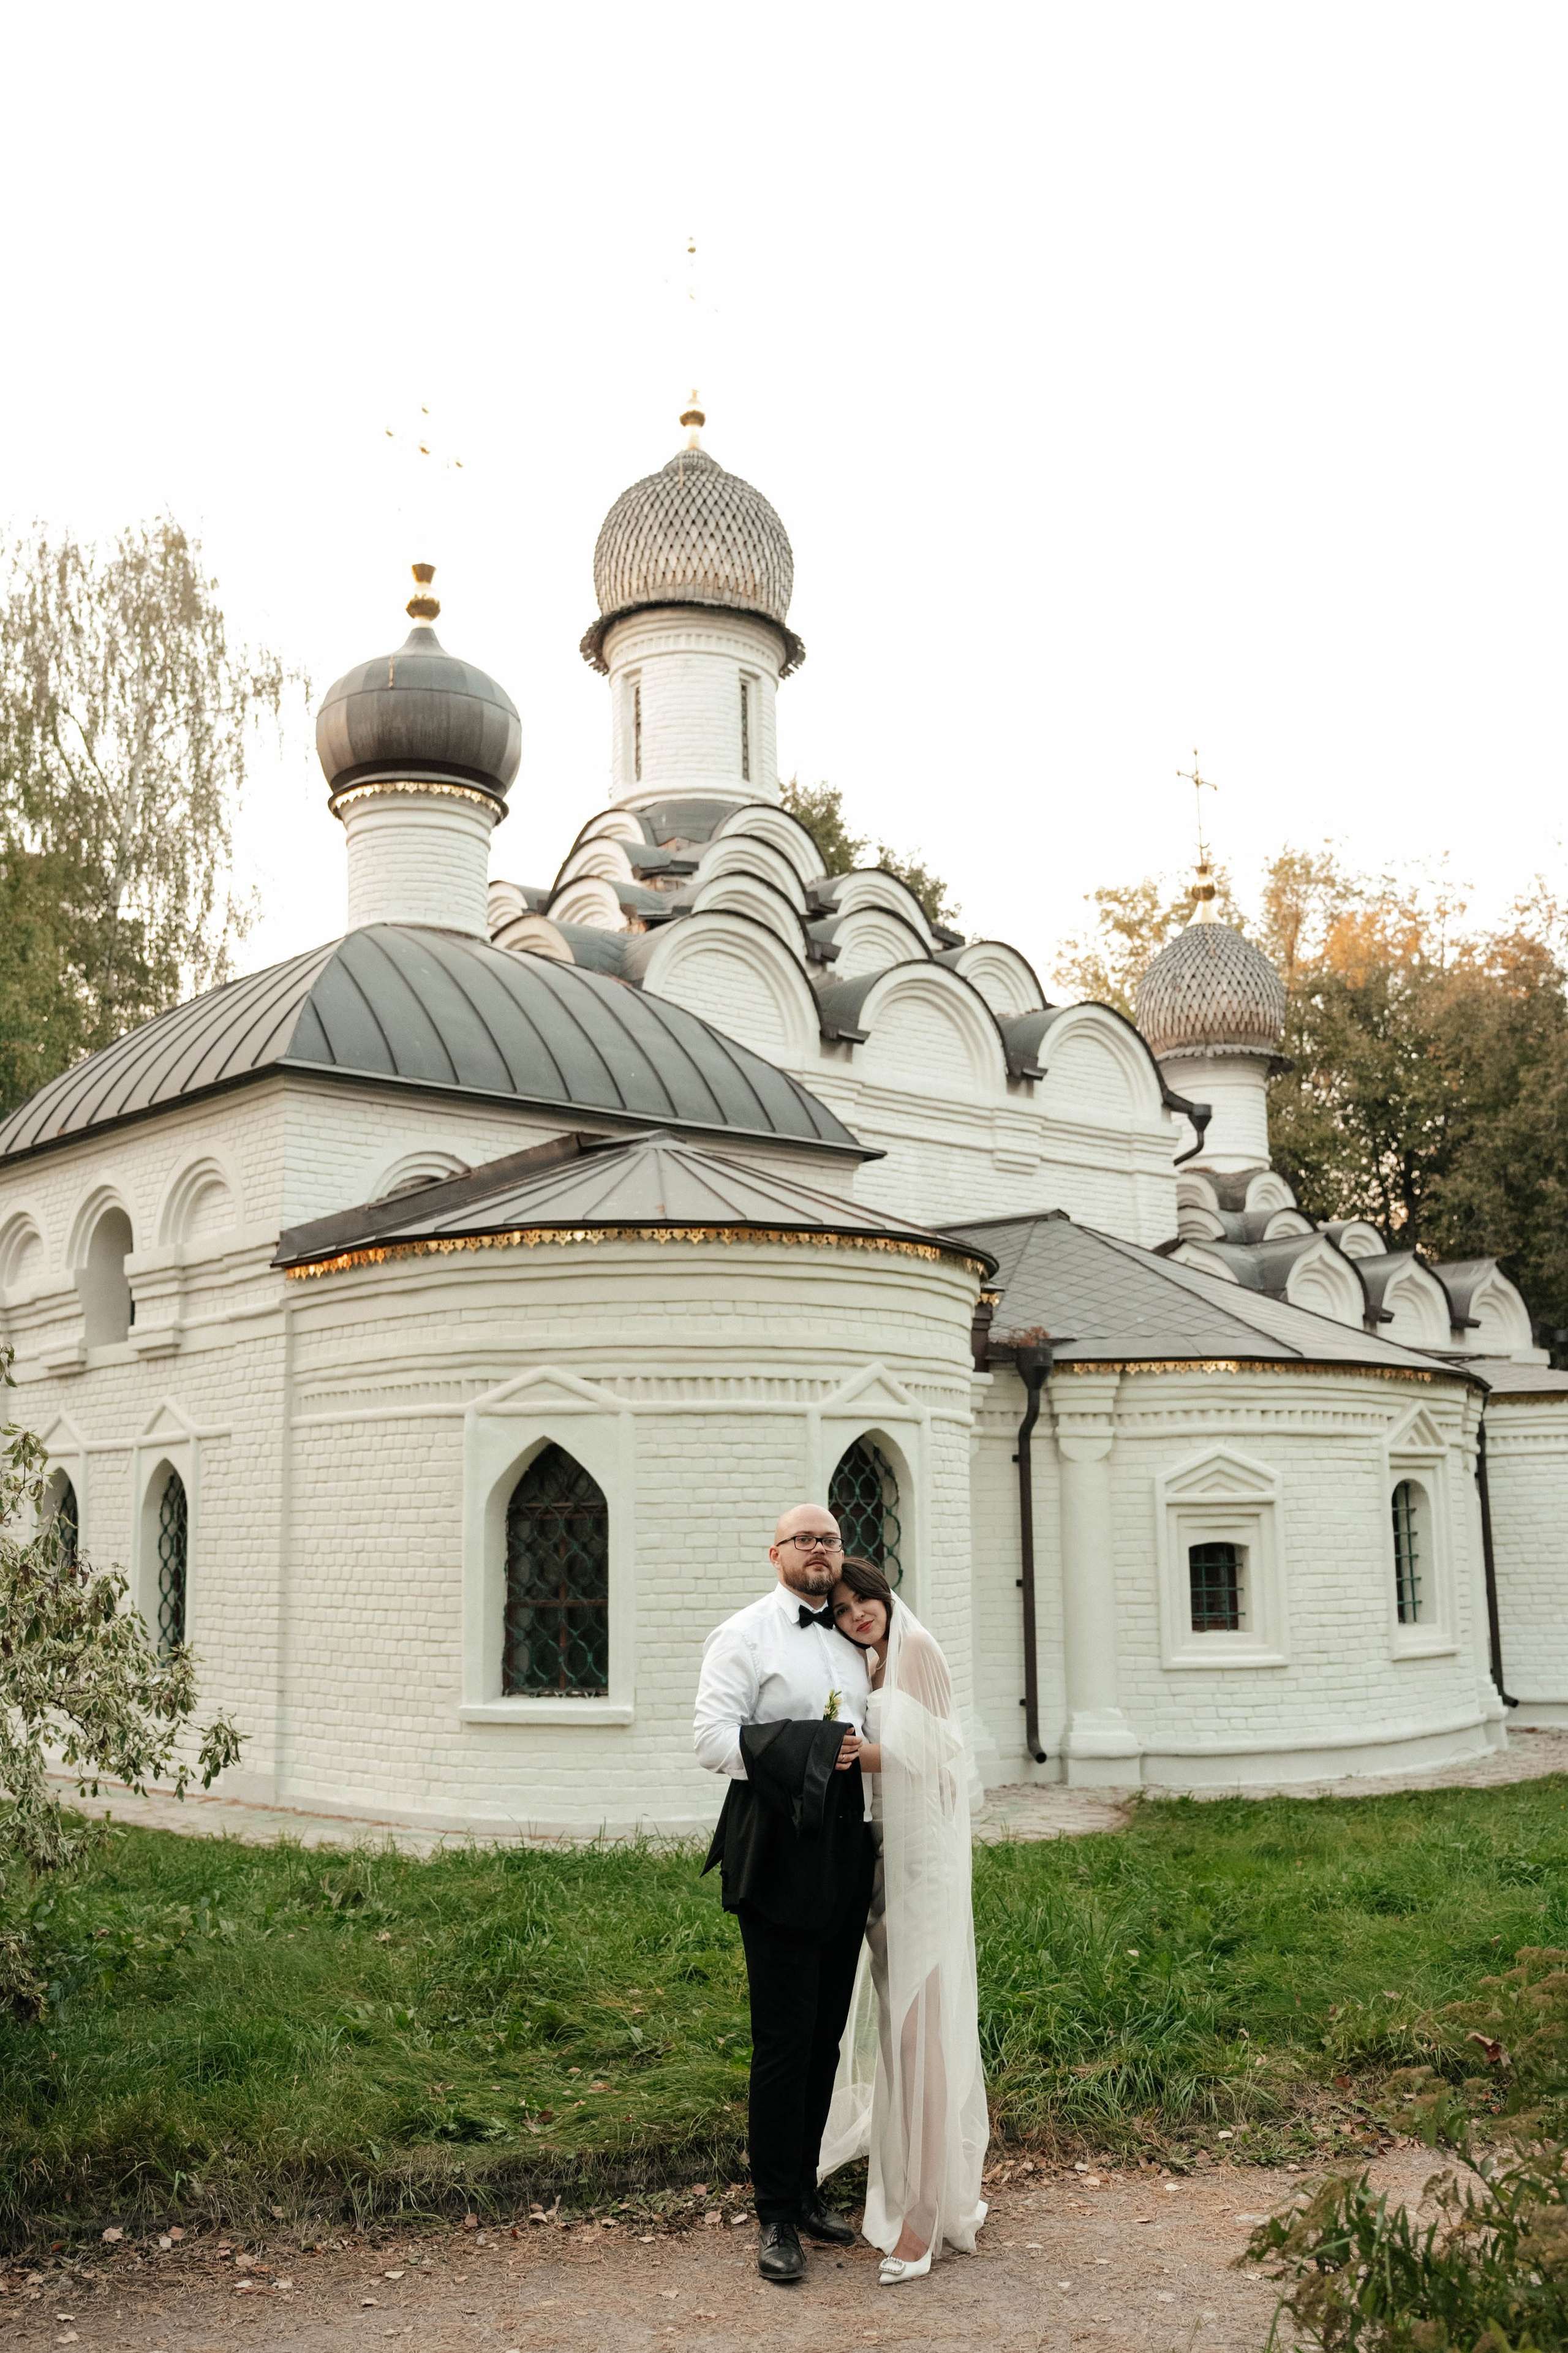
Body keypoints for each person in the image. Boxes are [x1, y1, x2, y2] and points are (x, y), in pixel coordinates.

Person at [693, 1505, 878, 2287]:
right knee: (782, 2039)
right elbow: (709, 1740)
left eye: (830, 1540)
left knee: (827, 2036)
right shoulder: (743, 1635)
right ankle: (772, 2213)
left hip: (842, 1847)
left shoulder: (855, 1636)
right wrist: (807, 1744)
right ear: (775, 1553)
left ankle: (805, 2192)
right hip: (773, 1846)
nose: (818, 1550)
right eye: (804, 1539)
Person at [818, 1557, 988, 2285]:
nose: (858, 1613)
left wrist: (858, 1755)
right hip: (888, 1860)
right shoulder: (870, 1663)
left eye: (865, 1600)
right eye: (844, 1607)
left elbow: (945, 1751)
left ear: (886, 1598)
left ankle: (923, 2221)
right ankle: (921, 2191)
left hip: (927, 1863)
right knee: (901, 2032)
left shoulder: (915, 1649)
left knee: (922, 2035)